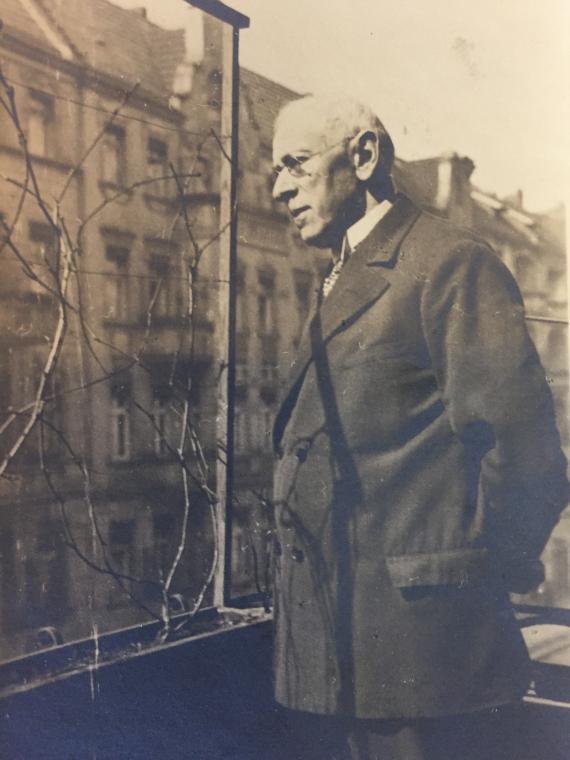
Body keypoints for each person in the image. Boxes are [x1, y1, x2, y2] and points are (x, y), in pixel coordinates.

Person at [269, 95, 569, 759]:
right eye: (275, 171)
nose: (278, 187)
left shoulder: (448, 263)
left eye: (296, 164)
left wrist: (470, 579)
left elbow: (527, 455)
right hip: (341, 649)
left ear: (365, 156)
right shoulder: (346, 271)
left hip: (428, 663)